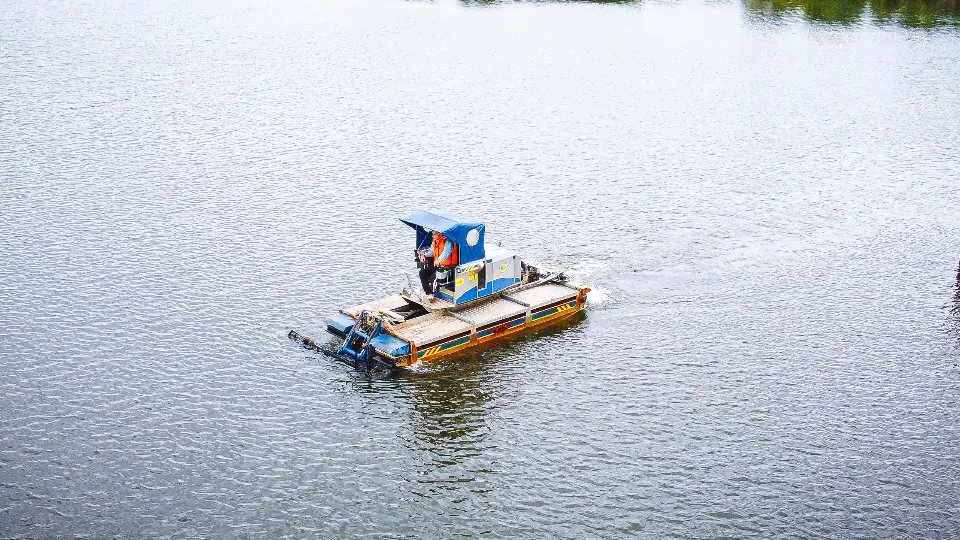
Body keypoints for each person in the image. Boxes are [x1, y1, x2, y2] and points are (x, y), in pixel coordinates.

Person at [418, 231, 458, 301]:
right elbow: (431, 252)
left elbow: (446, 252)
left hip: (448, 266)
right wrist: (423, 255)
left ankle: (433, 294)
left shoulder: (448, 241)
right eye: (432, 234)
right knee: (422, 273)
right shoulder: (435, 241)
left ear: (440, 233)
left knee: (433, 278)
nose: (433, 236)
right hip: (438, 265)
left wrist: (439, 260)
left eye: (435, 234)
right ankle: (428, 293)